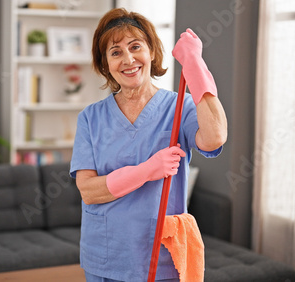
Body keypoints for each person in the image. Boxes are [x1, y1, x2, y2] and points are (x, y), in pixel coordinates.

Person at [70, 8, 227, 282]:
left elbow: (214, 136)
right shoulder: (91, 118)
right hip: (106, 257)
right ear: (105, 65)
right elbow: (88, 191)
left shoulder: (180, 108)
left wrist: (194, 64)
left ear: (152, 51)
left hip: (161, 257)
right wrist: (147, 170)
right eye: (115, 52)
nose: (128, 59)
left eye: (135, 47)